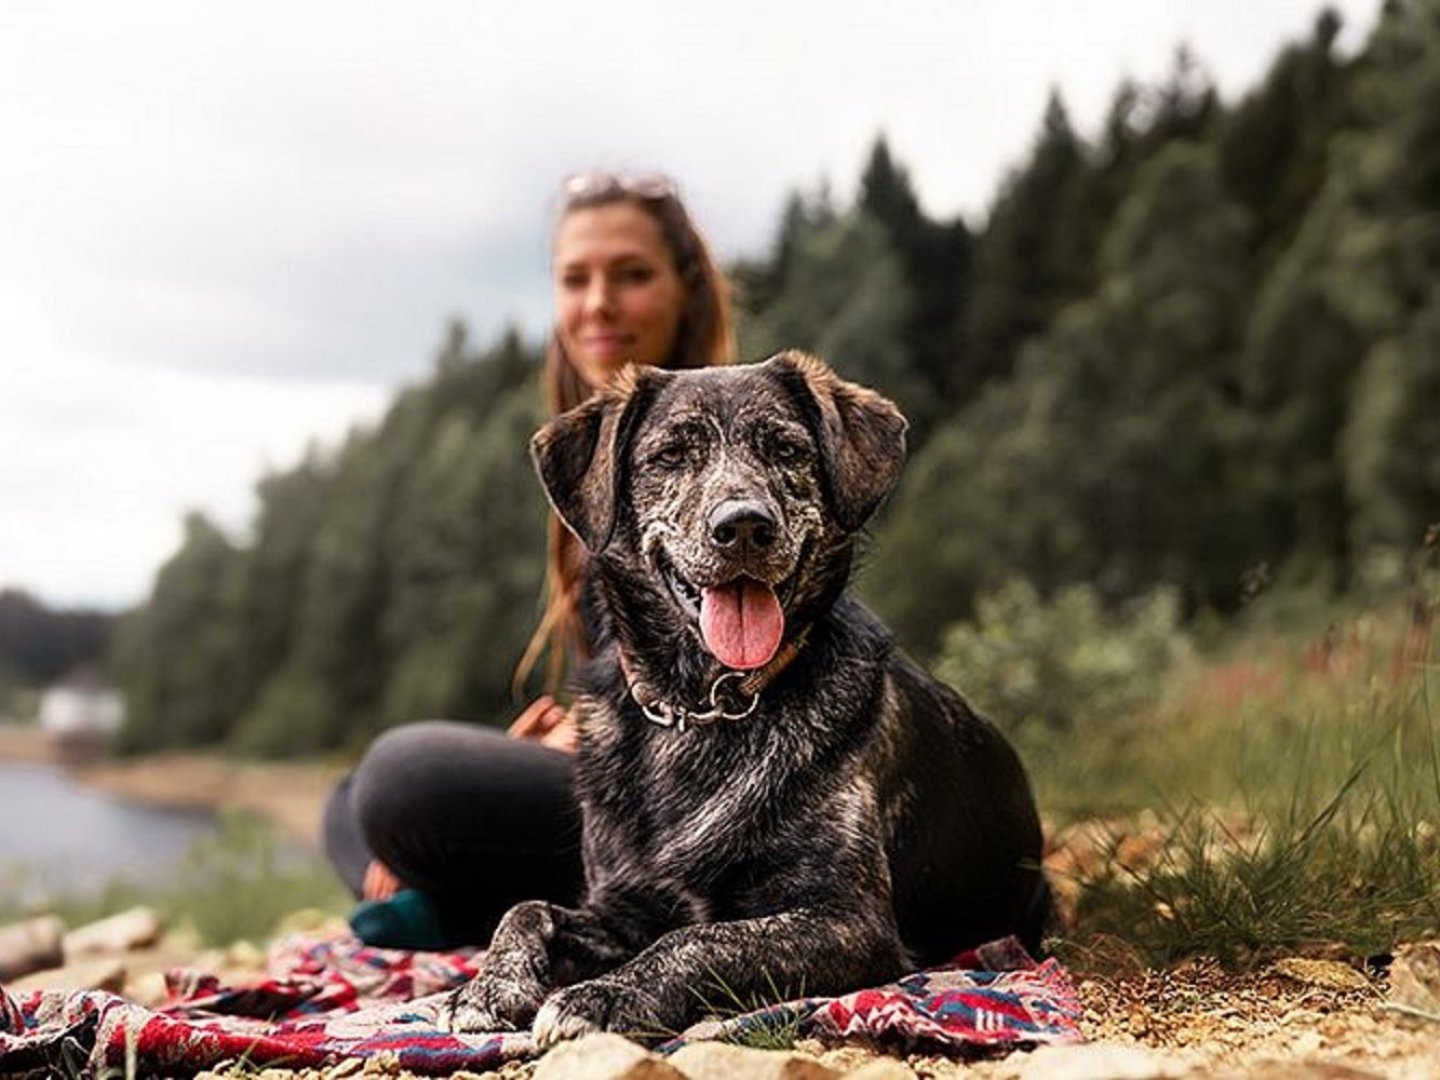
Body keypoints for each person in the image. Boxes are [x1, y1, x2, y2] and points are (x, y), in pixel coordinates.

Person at [322, 171, 734, 949]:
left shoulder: (719, 449)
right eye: (575, 279)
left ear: (687, 289)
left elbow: (740, 681)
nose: (598, 302)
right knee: (347, 799)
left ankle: (453, 914)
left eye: (632, 274)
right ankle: (465, 909)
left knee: (402, 782)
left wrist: (588, 735)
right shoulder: (592, 460)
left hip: (703, 787)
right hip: (622, 772)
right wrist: (565, 735)